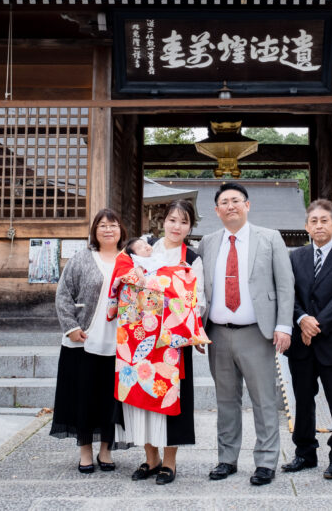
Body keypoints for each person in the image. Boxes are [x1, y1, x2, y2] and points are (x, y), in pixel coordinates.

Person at [199, 181, 295, 486]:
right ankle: (227, 458)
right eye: (224, 202)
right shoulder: (208, 242)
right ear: (216, 210)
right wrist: (196, 329)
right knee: (226, 400)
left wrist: (283, 325)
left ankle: (266, 460)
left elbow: (284, 284)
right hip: (217, 333)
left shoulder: (270, 238)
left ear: (247, 205)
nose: (230, 206)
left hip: (257, 333)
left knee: (264, 399)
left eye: (236, 200)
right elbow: (199, 289)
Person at [109, 199, 208, 485]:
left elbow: (196, 299)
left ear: (190, 227)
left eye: (184, 222)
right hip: (139, 336)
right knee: (140, 398)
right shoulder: (144, 247)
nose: (177, 226)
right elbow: (122, 274)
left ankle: (169, 462)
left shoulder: (192, 259)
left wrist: (194, 329)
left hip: (172, 341)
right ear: (162, 221)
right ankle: (150, 458)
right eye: (172, 220)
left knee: (170, 398)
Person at [282, 199, 332, 480]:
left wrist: (316, 325)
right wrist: (302, 319)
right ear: (306, 226)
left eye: (324, 220)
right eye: (313, 221)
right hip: (301, 343)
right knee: (303, 399)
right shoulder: (295, 258)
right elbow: (287, 294)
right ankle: (305, 452)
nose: (319, 225)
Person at [50, 208, 128, 472]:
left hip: (118, 343)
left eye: (113, 225)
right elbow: (63, 294)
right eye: (103, 225)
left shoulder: (129, 261)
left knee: (110, 399)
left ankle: (106, 450)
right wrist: (70, 326)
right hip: (83, 340)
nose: (108, 229)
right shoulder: (82, 259)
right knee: (83, 397)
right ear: (95, 230)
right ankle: (85, 450)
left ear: (121, 230)